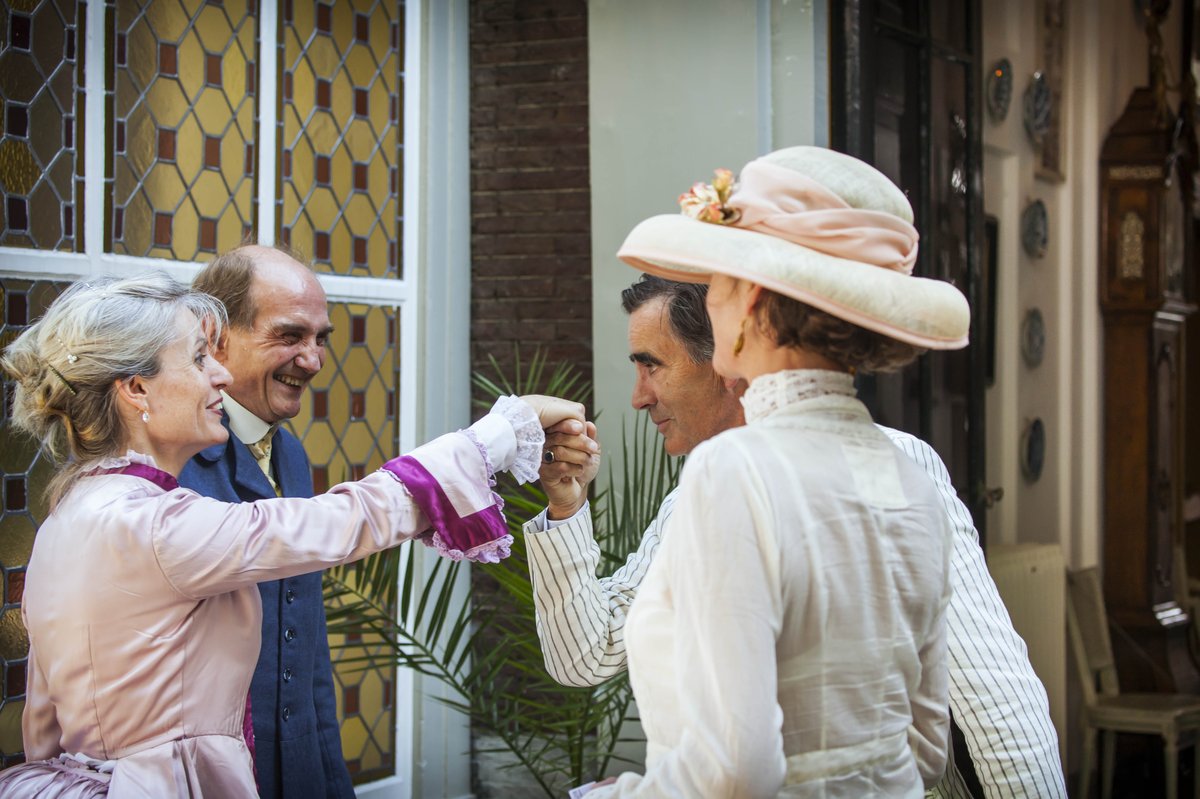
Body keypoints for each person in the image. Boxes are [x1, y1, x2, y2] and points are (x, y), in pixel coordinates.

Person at [0, 273, 582, 797]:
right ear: (136, 389)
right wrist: (503, 432)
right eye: (200, 358)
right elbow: (347, 521)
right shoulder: (154, 524)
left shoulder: (64, 518)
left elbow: (43, 715)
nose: (220, 375)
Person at [530, 145, 988, 797]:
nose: (712, 303)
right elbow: (924, 749)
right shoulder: (914, 473)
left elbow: (737, 769)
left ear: (747, 306)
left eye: (718, 283)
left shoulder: (732, 472)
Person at [178, 246, 348, 798]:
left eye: (320, 338)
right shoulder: (170, 463)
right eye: (290, 335)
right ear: (216, 335)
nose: (313, 359)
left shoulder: (293, 455)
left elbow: (308, 649)